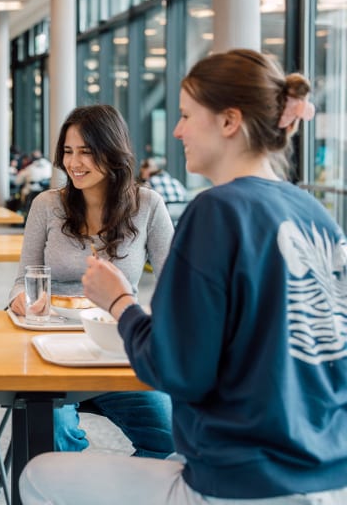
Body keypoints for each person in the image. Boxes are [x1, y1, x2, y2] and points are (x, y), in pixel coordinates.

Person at [20, 49, 347, 504]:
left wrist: (118, 303)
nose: (177, 130)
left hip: (238, 481)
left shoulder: (217, 211)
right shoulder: (316, 215)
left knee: (37, 475)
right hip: (326, 476)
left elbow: (176, 369)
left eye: (187, 115)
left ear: (229, 122)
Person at [9, 105, 175, 458]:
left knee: (172, 436)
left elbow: (176, 287)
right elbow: (23, 280)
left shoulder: (148, 205)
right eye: (68, 152)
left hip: (119, 348)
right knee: (52, 436)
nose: (74, 162)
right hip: (49, 347)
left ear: (112, 151)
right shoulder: (46, 205)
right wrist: (20, 297)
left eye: (86, 151)